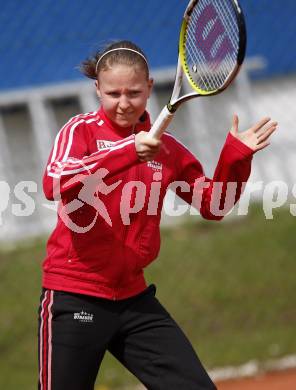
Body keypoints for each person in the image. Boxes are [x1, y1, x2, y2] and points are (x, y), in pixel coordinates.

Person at [38, 40, 277, 390]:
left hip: (133, 300)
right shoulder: (81, 130)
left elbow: (215, 205)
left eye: (133, 92)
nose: (123, 103)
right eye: (113, 93)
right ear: (97, 90)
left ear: (150, 88)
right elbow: (54, 181)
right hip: (75, 297)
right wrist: (127, 151)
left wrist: (235, 157)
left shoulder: (166, 150)